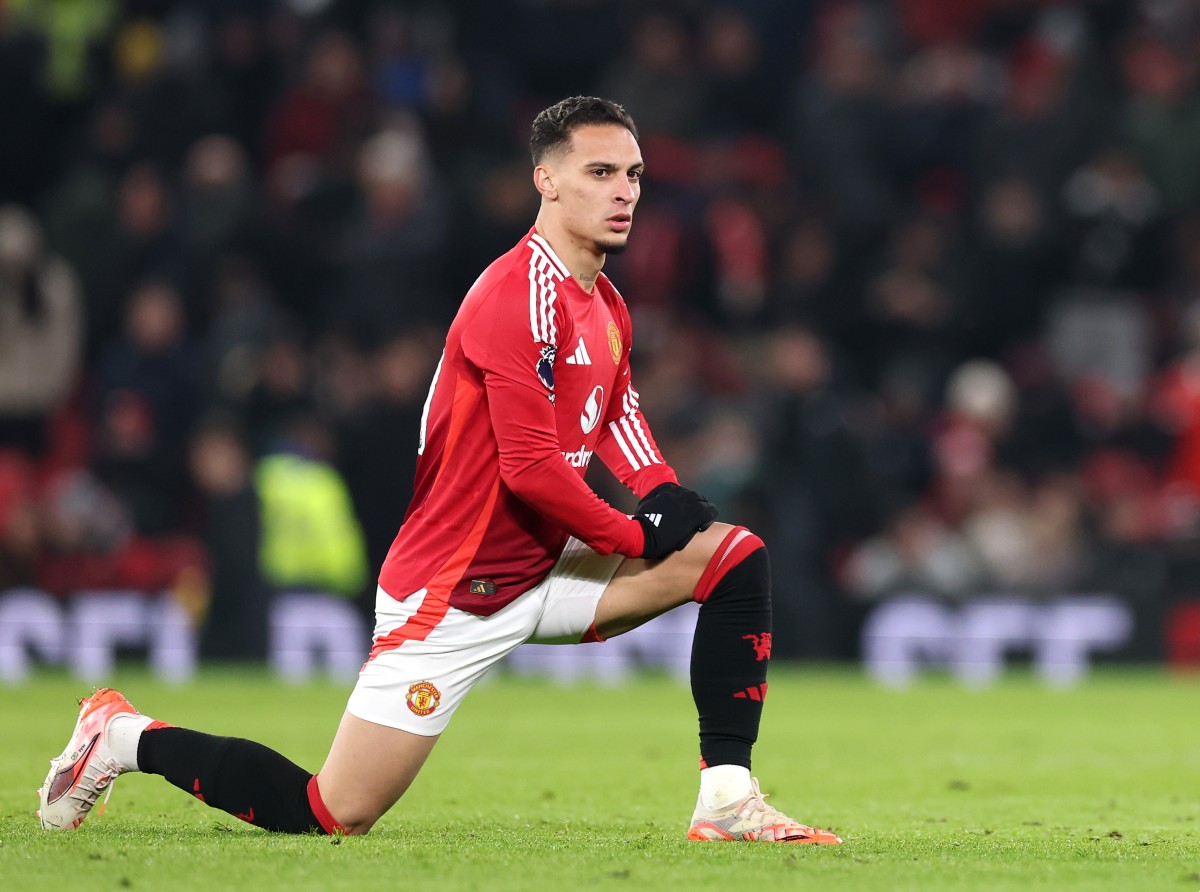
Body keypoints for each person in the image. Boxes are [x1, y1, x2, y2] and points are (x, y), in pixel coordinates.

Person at [38, 96, 841, 845]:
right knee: (332, 812)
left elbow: (616, 413)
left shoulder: (606, 304)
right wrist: (635, 528)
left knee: (736, 558)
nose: (623, 191)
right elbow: (530, 469)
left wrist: (664, 490)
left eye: (633, 174)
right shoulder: (513, 294)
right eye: (600, 172)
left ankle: (727, 798)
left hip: (545, 565)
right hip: (453, 592)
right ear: (547, 179)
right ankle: (121, 735)